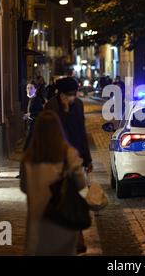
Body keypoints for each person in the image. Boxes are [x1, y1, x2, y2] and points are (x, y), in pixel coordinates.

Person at [20, 110, 87, 256]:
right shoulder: (68, 154)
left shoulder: (28, 159)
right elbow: (81, 183)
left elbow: (24, 188)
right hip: (63, 221)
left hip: (37, 224)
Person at [45, 77, 93, 253]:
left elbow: (81, 131)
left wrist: (87, 159)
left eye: (75, 94)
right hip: (57, 161)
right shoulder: (51, 106)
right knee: (59, 198)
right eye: (70, 94)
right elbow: (51, 132)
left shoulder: (79, 105)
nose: (73, 97)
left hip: (76, 158)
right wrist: (64, 111)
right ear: (61, 94)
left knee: (75, 198)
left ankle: (77, 238)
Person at [23, 81, 45, 151]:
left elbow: (41, 112)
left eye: (31, 88)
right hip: (30, 123)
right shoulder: (30, 99)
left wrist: (30, 114)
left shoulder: (37, 100)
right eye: (28, 88)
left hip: (35, 124)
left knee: (29, 141)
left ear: (35, 89)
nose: (29, 90)